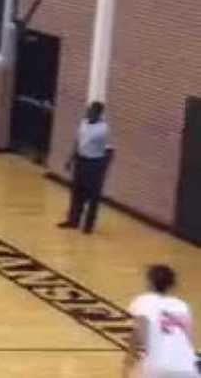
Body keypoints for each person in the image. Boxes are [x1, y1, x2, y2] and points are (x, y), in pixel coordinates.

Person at [124, 265, 200, 378]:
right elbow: (189, 339)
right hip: (187, 366)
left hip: (157, 365)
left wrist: (129, 360)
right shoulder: (182, 305)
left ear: (150, 282)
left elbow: (139, 333)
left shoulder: (143, 301)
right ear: (172, 285)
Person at [58, 101, 113, 234]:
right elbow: (77, 142)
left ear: (98, 113)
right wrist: (70, 159)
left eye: (92, 111)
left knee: (93, 195)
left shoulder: (103, 129)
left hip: (94, 163)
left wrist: (103, 168)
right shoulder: (83, 123)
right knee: (77, 192)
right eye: (89, 110)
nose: (88, 113)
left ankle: (89, 225)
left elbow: (109, 150)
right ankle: (73, 220)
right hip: (81, 160)